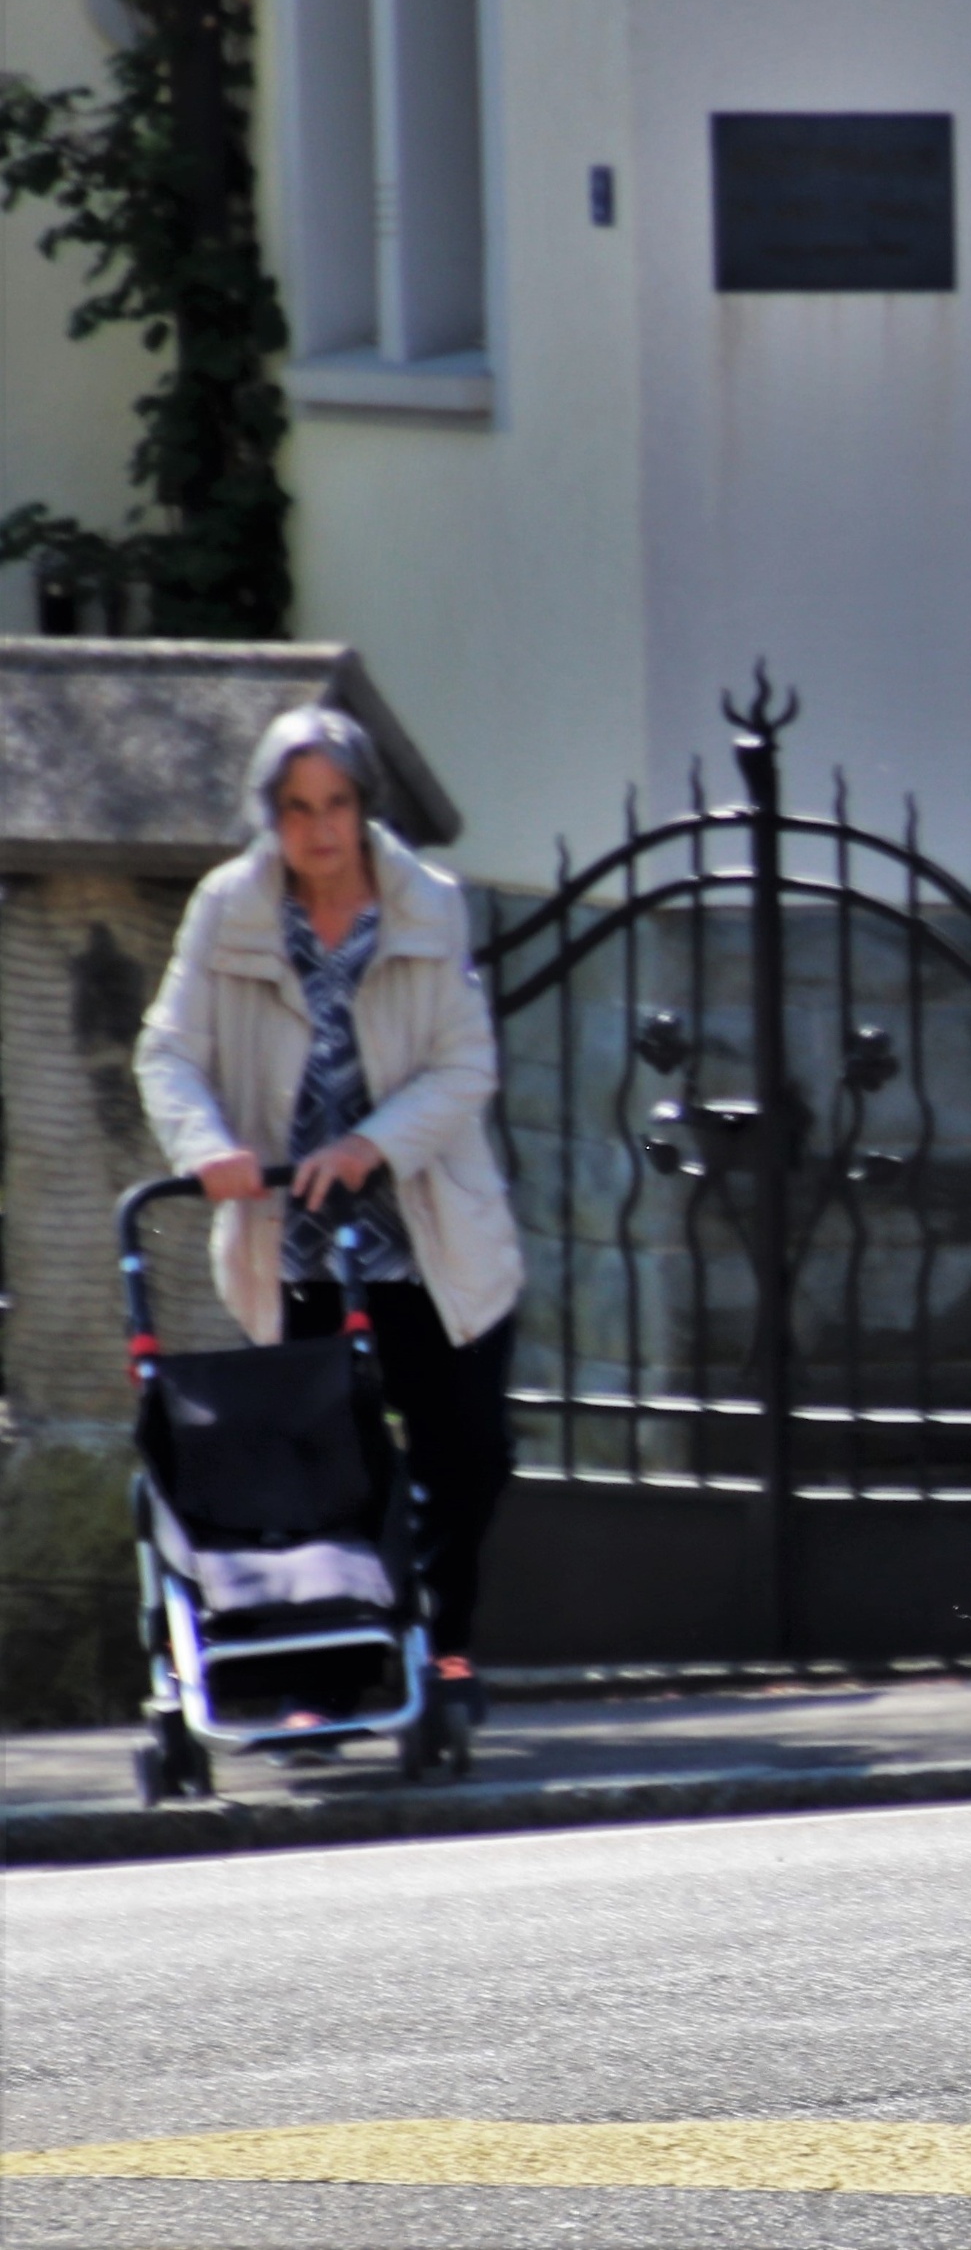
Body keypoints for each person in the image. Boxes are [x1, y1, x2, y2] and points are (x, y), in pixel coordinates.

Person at [137, 705, 526, 1693]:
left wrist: (369, 1146)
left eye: (337, 805)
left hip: (429, 1233)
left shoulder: (426, 903)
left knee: (467, 1454)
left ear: (364, 807)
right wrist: (208, 1147)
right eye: (297, 808)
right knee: (328, 1472)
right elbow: (168, 1051)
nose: (319, 830)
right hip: (297, 1244)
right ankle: (345, 1665)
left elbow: (463, 1066)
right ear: (270, 815)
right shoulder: (231, 905)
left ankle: (445, 1642)